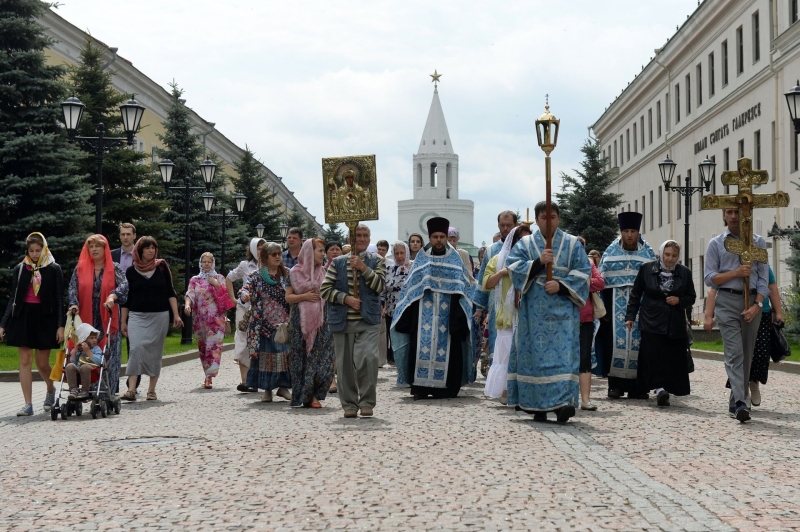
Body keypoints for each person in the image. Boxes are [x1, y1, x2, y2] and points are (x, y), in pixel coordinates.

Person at [506, 202, 591, 423]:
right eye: (544, 217)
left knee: (563, 359)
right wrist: (538, 262)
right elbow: (513, 267)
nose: (549, 221)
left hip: (563, 313)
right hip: (533, 314)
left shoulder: (572, 244)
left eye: (553, 217)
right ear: (537, 220)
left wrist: (561, 286)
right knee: (536, 360)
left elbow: (584, 272)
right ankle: (537, 406)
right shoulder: (525, 243)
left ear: (559, 218)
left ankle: (563, 404)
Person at [392, 217, 474, 400]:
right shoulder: (422, 259)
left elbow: (463, 288)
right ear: (430, 238)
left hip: (448, 314)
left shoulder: (455, 260)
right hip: (423, 313)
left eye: (442, 236)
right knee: (421, 346)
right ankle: (420, 388)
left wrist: (459, 317)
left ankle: (446, 388)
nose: (439, 240)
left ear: (446, 237)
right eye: (435, 236)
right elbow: (410, 289)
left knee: (450, 350)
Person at [704, 207, 769, 422]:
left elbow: (763, 277)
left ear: (746, 215)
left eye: (738, 212)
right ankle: (742, 402)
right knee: (734, 353)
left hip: (752, 301)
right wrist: (735, 273)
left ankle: (736, 397)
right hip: (727, 301)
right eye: (730, 212)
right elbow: (709, 277)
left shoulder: (757, 242)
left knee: (747, 354)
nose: (734, 216)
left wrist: (757, 304)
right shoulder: (716, 243)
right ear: (723, 215)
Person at [321, 223, 386, 418]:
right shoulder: (338, 263)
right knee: (345, 366)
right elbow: (325, 289)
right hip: (343, 321)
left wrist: (364, 268)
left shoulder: (377, 261)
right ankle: (349, 404)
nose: (362, 238)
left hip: (369, 320)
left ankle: (366, 401)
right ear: (351, 238)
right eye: (358, 235)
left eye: (365, 235)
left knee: (368, 358)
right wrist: (345, 298)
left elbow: (379, 286)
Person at [625, 240, 695, 407]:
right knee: (654, 355)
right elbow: (636, 294)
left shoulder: (684, 272)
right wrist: (630, 316)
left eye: (674, 255)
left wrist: (679, 300)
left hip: (674, 321)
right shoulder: (647, 269)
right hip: (651, 320)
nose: (670, 259)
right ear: (661, 253)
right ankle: (658, 388)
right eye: (667, 254)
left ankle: (667, 387)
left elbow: (691, 297)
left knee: (671, 356)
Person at [0, 233, 64, 416]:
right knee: (25, 360)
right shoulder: (21, 269)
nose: (35, 254)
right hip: (24, 316)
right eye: (32, 251)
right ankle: (27, 403)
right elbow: (13, 297)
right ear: (27, 251)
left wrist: (60, 325)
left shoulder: (53, 268)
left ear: (44, 249)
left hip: (45, 318)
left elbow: (59, 298)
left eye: (38, 250)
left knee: (42, 363)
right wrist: (3, 324)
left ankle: (50, 390)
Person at [706, 265, 783, 407]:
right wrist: (708, 315)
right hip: (737, 313)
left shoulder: (763, 266)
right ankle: (741, 393)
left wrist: (778, 312)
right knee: (738, 354)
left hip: (762, 312)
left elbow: (772, 287)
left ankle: (754, 382)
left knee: (761, 354)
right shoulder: (730, 267)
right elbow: (713, 291)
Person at [597, 212, 655, 399]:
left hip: (642, 308)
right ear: (621, 232)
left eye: (633, 231)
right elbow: (601, 283)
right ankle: (615, 385)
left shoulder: (648, 253)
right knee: (613, 344)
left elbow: (654, 283)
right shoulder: (611, 252)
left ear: (638, 232)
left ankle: (638, 387)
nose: (629, 235)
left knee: (641, 345)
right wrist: (604, 311)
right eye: (626, 231)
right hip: (615, 308)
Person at [120, 237, 182, 402]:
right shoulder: (131, 271)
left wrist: (176, 314)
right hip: (136, 316)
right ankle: (131, 389)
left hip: (159, 315)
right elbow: (126, 299)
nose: (151, 251)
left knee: (155, 352)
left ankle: (151, 390)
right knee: (136, 348)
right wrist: (122, 322)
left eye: (153, 248)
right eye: (147, 248)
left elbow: (170, 292)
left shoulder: (161, 267)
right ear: (139, 251)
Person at [68, 234, 128, 400]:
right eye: (91, 246)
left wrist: (113, 296)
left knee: (108, 353)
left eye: (97, 246)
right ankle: (87, 388)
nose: (94, 249)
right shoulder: (80, 268)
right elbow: (72, 288)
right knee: (85, 351)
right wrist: (73, 303)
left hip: (107, 315)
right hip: (87, 319)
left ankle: (105, 392)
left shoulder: (114, 268)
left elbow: (124, 286)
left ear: (105, 248)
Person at [482, 224, 532, 404]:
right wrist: (503, 271)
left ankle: (525, 391)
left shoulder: (534, 260)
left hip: (528, 314)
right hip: (507, 315)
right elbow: (486, 283)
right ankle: (505, 390)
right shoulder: (497, 259)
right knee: (506, 354)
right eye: (521, 240)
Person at [240, 242, 292, 402]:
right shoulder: (256, 276)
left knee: (284, 356)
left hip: (283, 326)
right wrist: (245, 296)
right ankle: (267, 390)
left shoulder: (287, 275)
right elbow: (244, 289)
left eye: (279, 254)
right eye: (273, 254)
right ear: (265, 257)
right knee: (265, 358)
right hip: (262, 325)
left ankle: (283, 388)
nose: (277, 257)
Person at [285, 238, 334, 408]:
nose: (323, 254)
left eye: (323, 251)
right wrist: (304, 296)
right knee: (302, 358)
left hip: (322, 320)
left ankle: (316, 393)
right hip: (300, 321)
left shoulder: (324, 272)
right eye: (320, 250)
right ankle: (305, 395)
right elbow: (288, 297)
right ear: (309, 252)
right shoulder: (295, 272)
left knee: (323, 358)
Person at [474, 211, 518, 371]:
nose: (505, 229)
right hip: (496, 304)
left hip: (518, 303)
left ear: (515, 225)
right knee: (496, 342)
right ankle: (498, 382)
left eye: (509, 225)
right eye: (502, 225)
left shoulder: (522, 246)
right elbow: (482, 280)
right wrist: (480, 308)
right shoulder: (492, 250)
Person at [185, 252, 234, 389]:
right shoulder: (195, 279)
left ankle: (209, 377)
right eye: (204, 262)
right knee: (203, 347)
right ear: (200, 263)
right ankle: (206, 373)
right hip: (200, 319)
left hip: (216, 320)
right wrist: (188, 305)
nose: (206, 264)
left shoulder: (219, 278)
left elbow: (227, 296)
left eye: (209, 262)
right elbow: (190, 293)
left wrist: (217, 285)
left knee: (213, 347)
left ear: (213, 263)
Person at [227, 238, 267, 392]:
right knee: (243, 341)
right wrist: (233, 298)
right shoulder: (245, 265)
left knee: (261, 342)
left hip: (263, 310)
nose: (260, 250)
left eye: (263, 247)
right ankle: (245, 381)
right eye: (258, 247)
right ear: (251, 249)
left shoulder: (271, 265)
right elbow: (229, 278)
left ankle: (259, 379)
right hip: (245, 310)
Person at [576, 236, 604, 411]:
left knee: (584, 358)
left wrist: (582, 282)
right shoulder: (562, 262)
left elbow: (600, 282)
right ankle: (566, 397)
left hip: (585, 318)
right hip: (565, 319)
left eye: (581, 246)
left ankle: (585, 400)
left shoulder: (589, 264)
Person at [383, 241, 412, 380]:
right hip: (391, 312)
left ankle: (408, 371)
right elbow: (384, 290)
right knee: (395, 342)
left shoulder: (413, 268)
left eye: (402, 253)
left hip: (409, 311)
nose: (400, 256)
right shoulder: (389, 269)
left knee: (408, 342)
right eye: (397, 253)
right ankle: (400, 370)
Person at [65, 323, 103, 400]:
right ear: (84, 340)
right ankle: (73, 389)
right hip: (78, 369)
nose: (94, 340)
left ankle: (85, 390)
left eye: (95, 338)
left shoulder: (96, 349)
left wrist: (88, 352)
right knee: (69, 366)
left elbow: (99, 362)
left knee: (84, 367)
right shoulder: (80, 349)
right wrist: (75, 351)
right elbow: (73, 362)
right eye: (91, 338)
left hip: (92, 370)